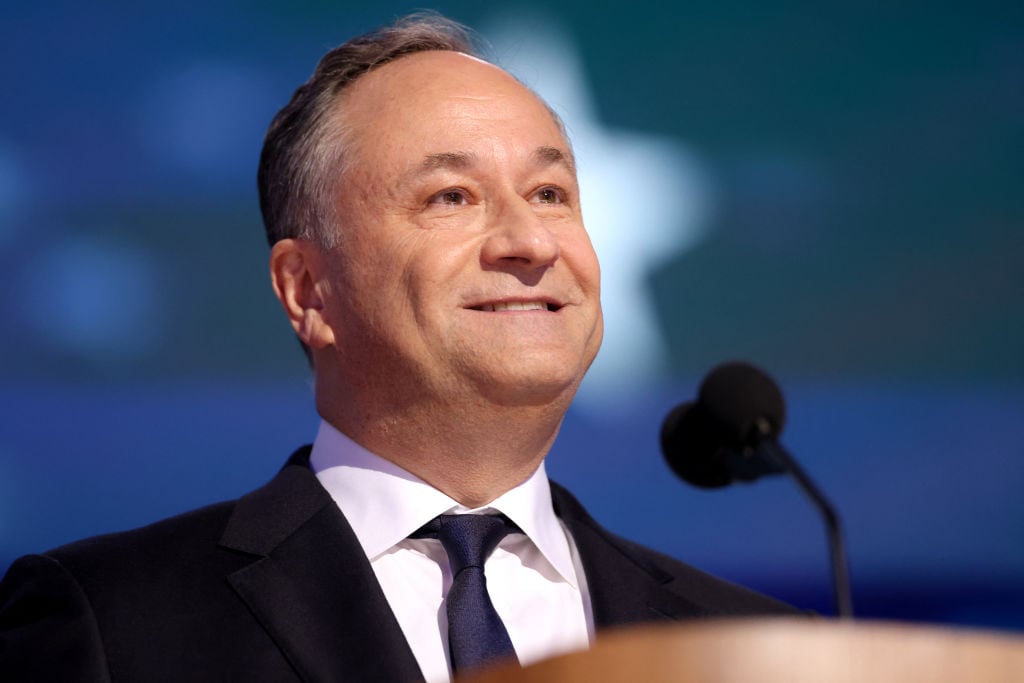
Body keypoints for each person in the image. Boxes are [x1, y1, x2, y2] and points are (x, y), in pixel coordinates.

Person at [0, 13, 797, 682]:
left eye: (550, 193)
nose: (530, 241)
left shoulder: (753, 648)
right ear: (308, 290)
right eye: (452, 196)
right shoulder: (114, 622)